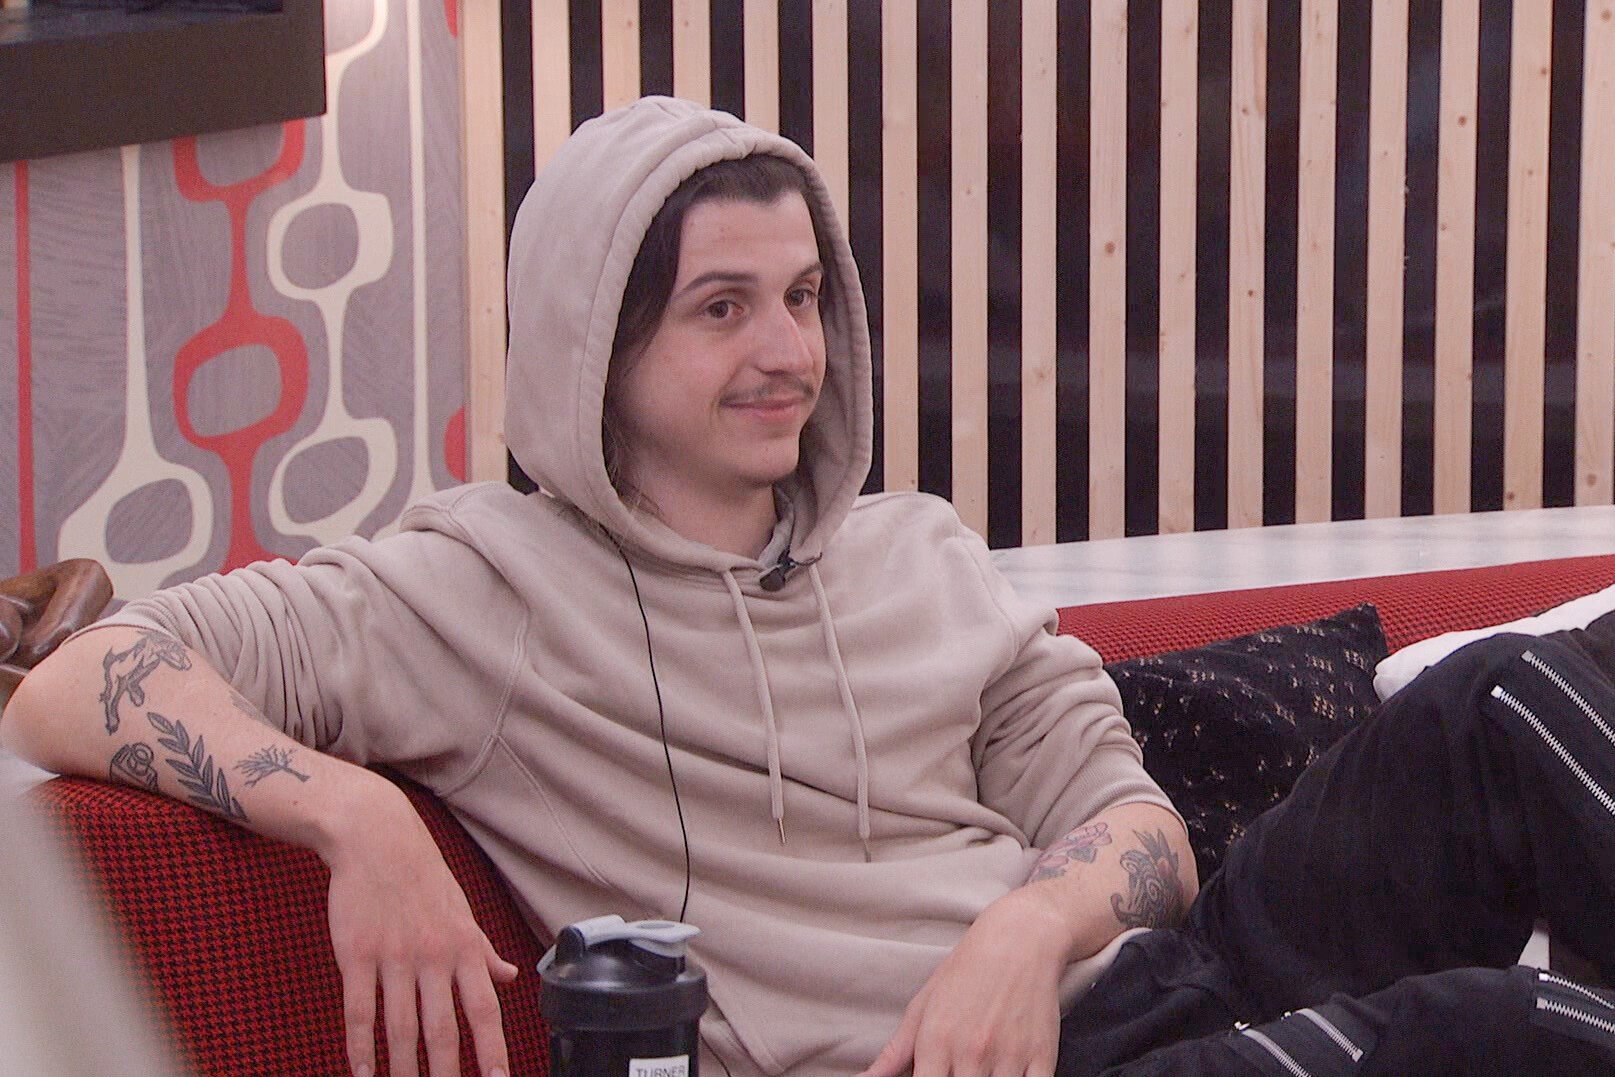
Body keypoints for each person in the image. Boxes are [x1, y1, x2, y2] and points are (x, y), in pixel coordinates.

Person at [4, 97, 1615, 1077]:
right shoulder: (480, 594)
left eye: (801, 296)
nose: (788, 350)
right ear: (598, 347)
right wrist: (350, 815)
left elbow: (1140, 829)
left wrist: (1026, 926)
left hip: (1155, 981)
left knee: (1507, 702)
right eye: (722, 308)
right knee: (1491, 1031)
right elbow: (79, 675)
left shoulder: (919, 550)